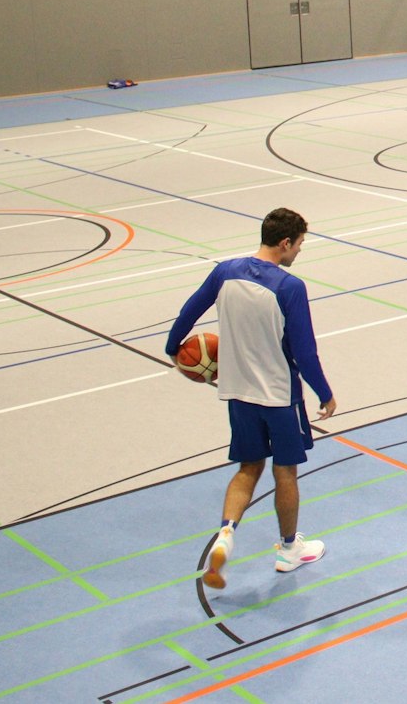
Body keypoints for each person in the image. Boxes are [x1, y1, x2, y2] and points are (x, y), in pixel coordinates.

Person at [166, 207, 336, 589]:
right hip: (278, 394)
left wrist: (173, 347)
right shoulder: (289, 287)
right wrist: (324, 393)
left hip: (238, 393)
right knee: (285, 472)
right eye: (300, 245)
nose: (299, 252)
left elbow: (189, 310)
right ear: (285, 242)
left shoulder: (225, 272)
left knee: (247, 468)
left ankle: (226, 534)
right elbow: (304, 352)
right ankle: (290, 549)